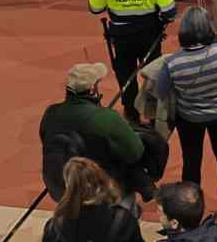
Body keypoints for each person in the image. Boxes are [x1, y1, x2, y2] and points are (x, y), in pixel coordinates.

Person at [155, 8, 217, 219]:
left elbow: (161, 91)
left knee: (192, 161)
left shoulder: (172, 62)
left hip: (189, 117)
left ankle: (190, 208)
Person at [89, 0, 176, 122]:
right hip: (150, 35)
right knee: (154, 73)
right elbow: (170, 11)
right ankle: (153, 113)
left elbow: (95, 8)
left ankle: (131, 112)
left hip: (121, 36)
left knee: (125, 74)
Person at [38, 62, 146, 200]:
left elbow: (44, 139)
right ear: (91, 90)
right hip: (104, 191)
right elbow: (135, 152)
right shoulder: (108, 117)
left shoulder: (50, 113)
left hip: (65, 190)